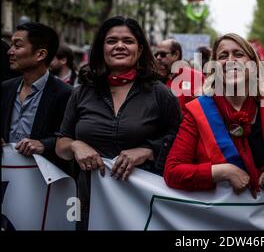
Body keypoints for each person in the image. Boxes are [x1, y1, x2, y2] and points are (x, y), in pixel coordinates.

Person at [55, 16, 181, 229]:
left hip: (142, 204)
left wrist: (148, 150)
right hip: (87, 201)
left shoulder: (161, 94)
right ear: (101, 48)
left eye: (128, 41)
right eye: (111, 41)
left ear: (140, 50)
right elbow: (61, 144)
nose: (120, 46)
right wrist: (76, 145)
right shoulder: (81, 92)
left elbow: (180, 141)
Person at [164, 33, 264, 197]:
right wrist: (223, 172)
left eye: (238, 54)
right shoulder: (197, 112)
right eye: (223, 56)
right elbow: (173, 172)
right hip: (218, 218)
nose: (230, 60)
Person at [0, 22, 72, 172]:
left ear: (40, 54)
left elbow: (71, 138)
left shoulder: (66, 93)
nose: (10, 51)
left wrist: (43, 145)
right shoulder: (6, 88)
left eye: (17, 46)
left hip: (45, 182)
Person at [155, 39, 205, 114]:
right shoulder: (153, 79)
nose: (158, 58)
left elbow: (201, 112)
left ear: (176, 55)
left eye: (163, 54)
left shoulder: (195, 77)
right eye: (156, 55)